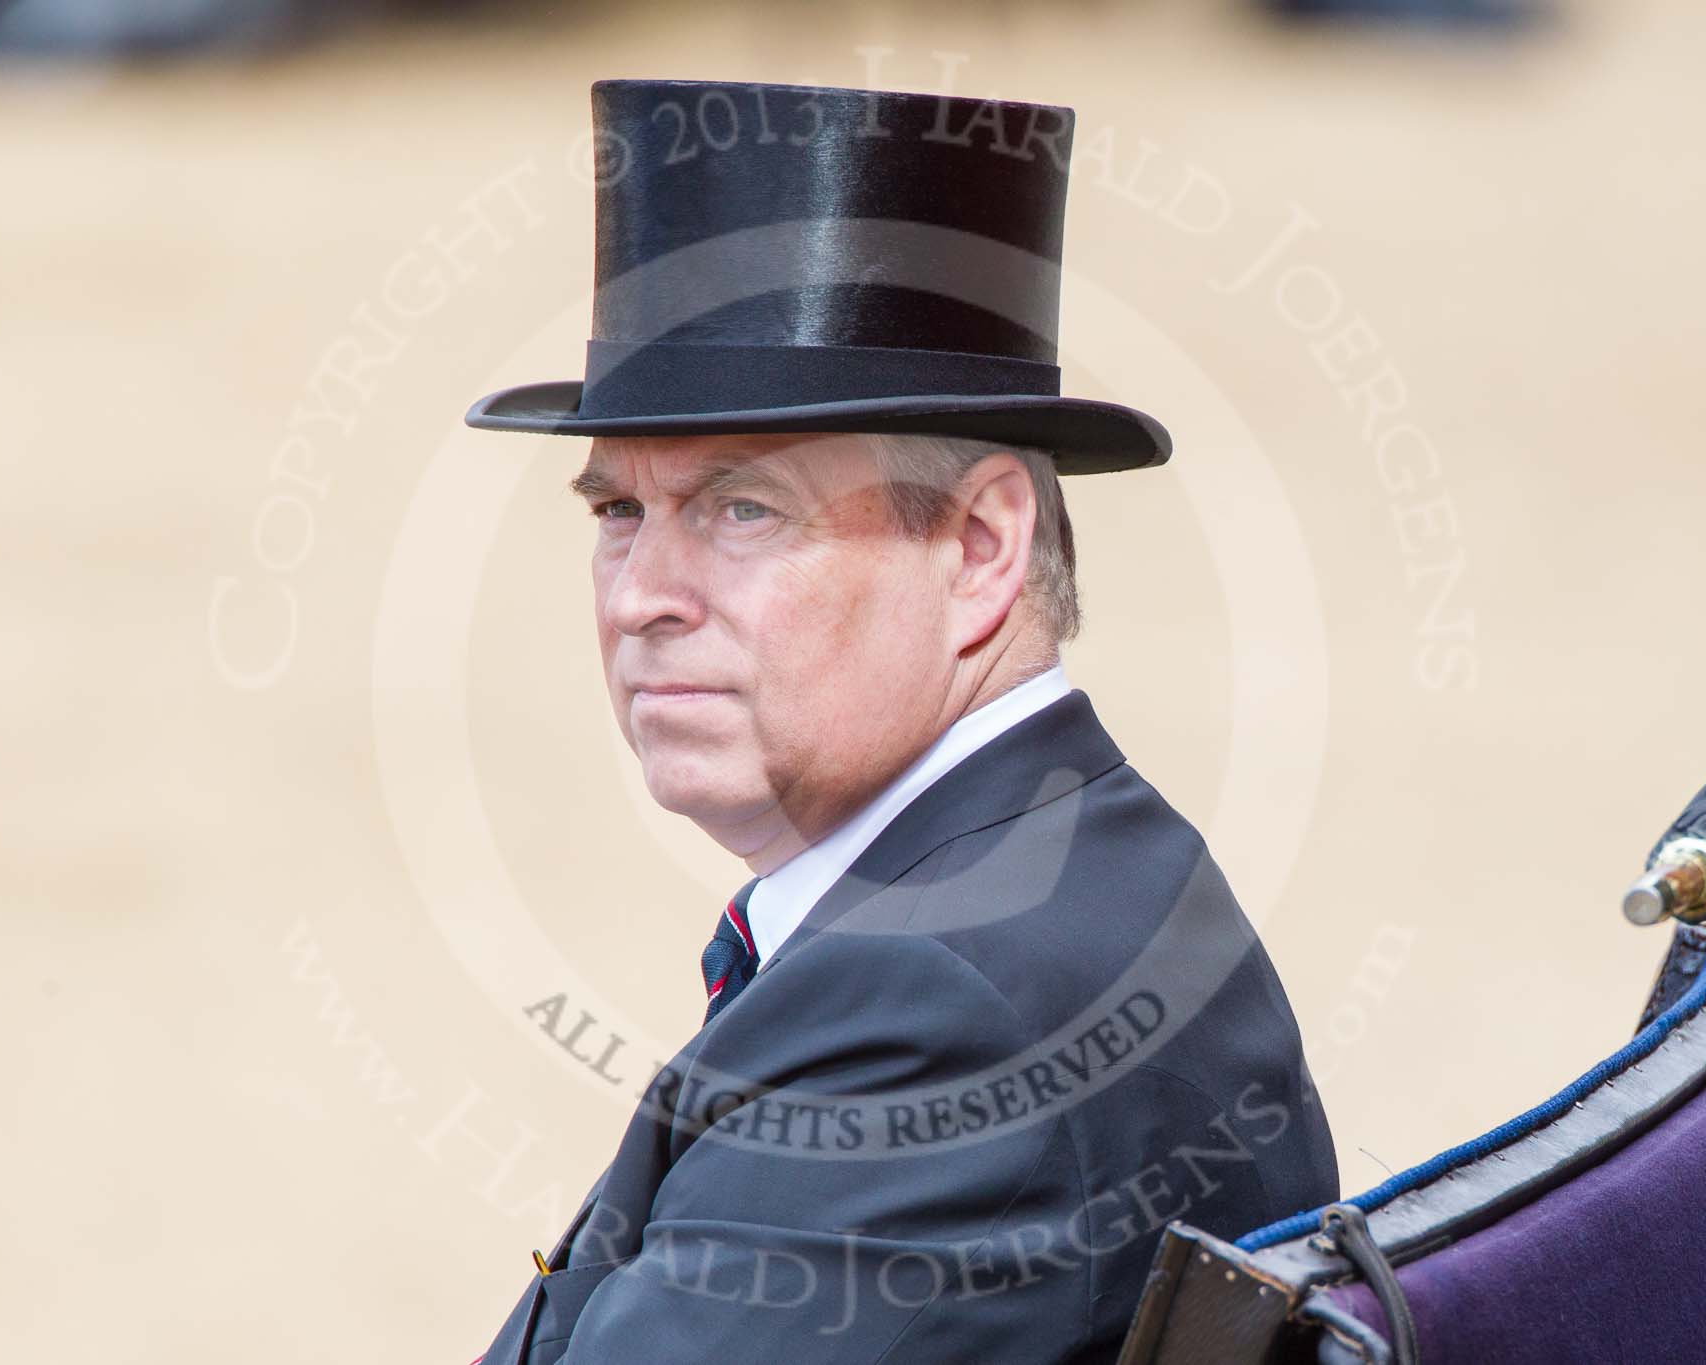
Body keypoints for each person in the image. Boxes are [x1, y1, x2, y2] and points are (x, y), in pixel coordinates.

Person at [464, 77, 1339, 1365]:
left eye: (744, 510)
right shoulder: (1080, 867)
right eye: (617, 513)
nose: (642, 597)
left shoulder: (928, 1010)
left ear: (981, 548)